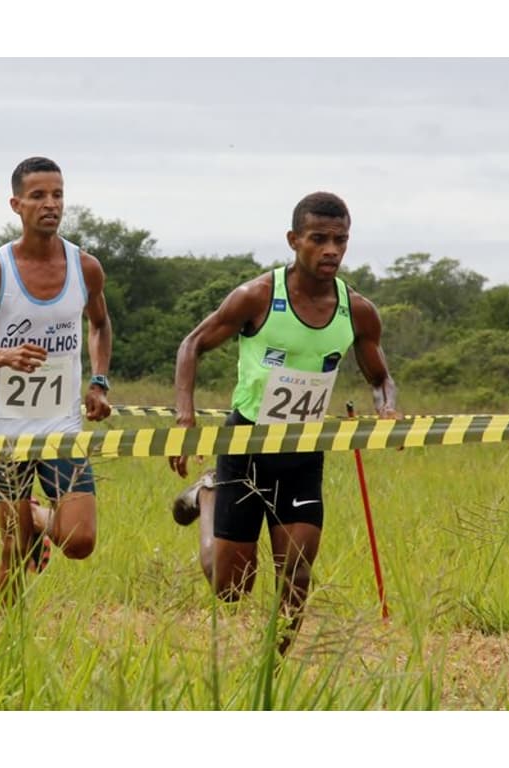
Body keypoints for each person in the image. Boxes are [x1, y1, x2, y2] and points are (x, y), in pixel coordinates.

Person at [168, 191, 400, 653]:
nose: (331, 249)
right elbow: (192, 344)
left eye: (340, 240)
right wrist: (184, 414)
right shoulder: (257, 296)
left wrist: (387, 410)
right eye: (319, 239)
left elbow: (380, 377)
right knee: (231, 587)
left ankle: (275, 669)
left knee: (296, 573)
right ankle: (208, 494)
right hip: (246, 446)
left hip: (302, 452)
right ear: (295, 241)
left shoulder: (357, 310)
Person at [0, 156, 113, 598]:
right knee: (14, 550)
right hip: (6, 429)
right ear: (16, 204)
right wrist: (2, 355)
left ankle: (37, 516)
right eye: (38, 196)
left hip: (61, 426)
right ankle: (1, 641)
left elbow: (99, 324)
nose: (50, 204)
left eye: (57, 195)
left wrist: (99, 381)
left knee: (79, 542)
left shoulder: (86, 267)